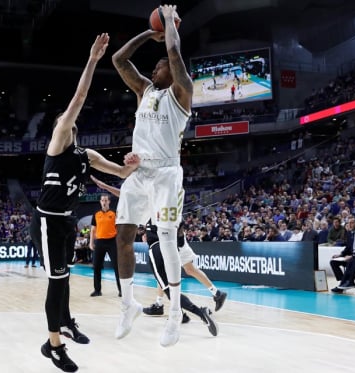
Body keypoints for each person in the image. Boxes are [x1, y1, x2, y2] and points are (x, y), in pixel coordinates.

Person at [31, 33, 141, 373]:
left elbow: (121, 171)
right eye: (65, 118)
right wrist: (93, 59)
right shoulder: (58, 142)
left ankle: (65, 323)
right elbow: (78, 98)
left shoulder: (86, 155)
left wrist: (134, 164)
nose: (70, 118)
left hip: (65, 222)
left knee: (63, 280)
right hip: (47, 221)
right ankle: (54, 346)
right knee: (56, 281)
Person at [111, 4, 192, 347]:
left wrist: (171, 25)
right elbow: (118, 60)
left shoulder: (182, 92)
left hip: (167, 176)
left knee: (166, 238)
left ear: (172, 73)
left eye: (160, 65)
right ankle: (128, 304)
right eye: (156, 64)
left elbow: (173, 53)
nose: (156, 65)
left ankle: (174, 315)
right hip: (140, 173)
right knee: (123, 236)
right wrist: (150, 33)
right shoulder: (145, 91)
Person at [90, 177, 228, 315]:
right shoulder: (162, 195)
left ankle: (174, 308)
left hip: (168, 237)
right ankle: (214, 293)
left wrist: (105, 186)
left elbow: (126, 195)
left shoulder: (155, 197)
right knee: (182, 270)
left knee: (166, 272)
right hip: (174, 235)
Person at [89, 190, 121, 297]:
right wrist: (91, 242)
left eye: (106, 200)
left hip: (112, 242)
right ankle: (97, 290)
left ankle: (121, 290)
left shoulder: (114, 213)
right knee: (96, 266)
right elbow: (93, 229)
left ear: (109, 202)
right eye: (102, 200)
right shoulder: (96, 214)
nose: (104, 202)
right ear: (100, 202)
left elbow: (119, 228)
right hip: (100, 242)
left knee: (117, 267)